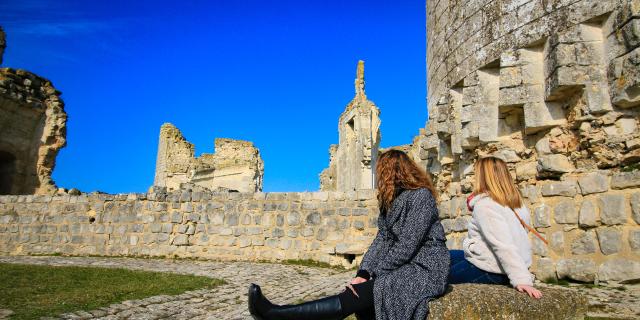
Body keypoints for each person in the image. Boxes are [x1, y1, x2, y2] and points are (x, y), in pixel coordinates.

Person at [248, 150, 450, 320]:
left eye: (382, 172)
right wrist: (363, 274)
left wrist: (375, 275)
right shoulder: (391, 201)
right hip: (405, 266)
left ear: (393, 172)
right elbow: (382, 240)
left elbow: (407, 244)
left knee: (364, 294)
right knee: (358, 294)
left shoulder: (421, 197)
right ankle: (278, 313)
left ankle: (275, 314)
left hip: (426, 268)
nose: (380, 178)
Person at [448, 156, 542, 299]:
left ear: (483, 177)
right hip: (497, 262)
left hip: (493, 271)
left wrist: (522, 279)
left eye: (476, 174)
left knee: (432, 276)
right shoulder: (517, 204)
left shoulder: (485, 206)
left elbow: (503, 245)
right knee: (442, 255)